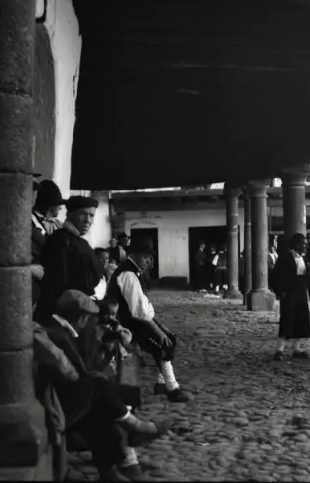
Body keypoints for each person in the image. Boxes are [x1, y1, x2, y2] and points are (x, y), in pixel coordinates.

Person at [40, 290, 172, 480]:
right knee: (104, 393)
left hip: (60, 396)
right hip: (58, 402)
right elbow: (78, 373)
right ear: (80, 317)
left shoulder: (61, 330)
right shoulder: (62, 335)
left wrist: (118, 346)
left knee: (108, 403)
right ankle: (131, 445)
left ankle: (115, 467)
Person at [107, 237, 191, 402]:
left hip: (134, 318)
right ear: (135, 255)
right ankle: (172, 388)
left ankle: (161, 384)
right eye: (146, 257)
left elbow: (143, 307)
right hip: (125, 323)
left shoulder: (134, 271)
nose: (149, 262)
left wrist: (160, 326)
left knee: (169, 340)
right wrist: (158, 331)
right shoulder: (128, 274)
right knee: (164, 344)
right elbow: (138, 310)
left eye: (150, 258)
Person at [37, 196, 107, 322]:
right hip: (75, 316)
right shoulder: (60, 241)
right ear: (69, 214)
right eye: (83, 214)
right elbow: (60, 285)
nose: (88, 220)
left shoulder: (80, 242)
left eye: (91, 215)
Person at [272, 233, 310, 360]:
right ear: (296, 244)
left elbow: (307, 277)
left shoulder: (305, 259)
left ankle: (296, 349)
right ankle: (279, 350)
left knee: (300, 320)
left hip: (301, 293)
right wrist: (281, 292)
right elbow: (276, 276)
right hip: (289, 293)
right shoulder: (285, 257)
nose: (306, 246)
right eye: (303, 244)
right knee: (287, 319)